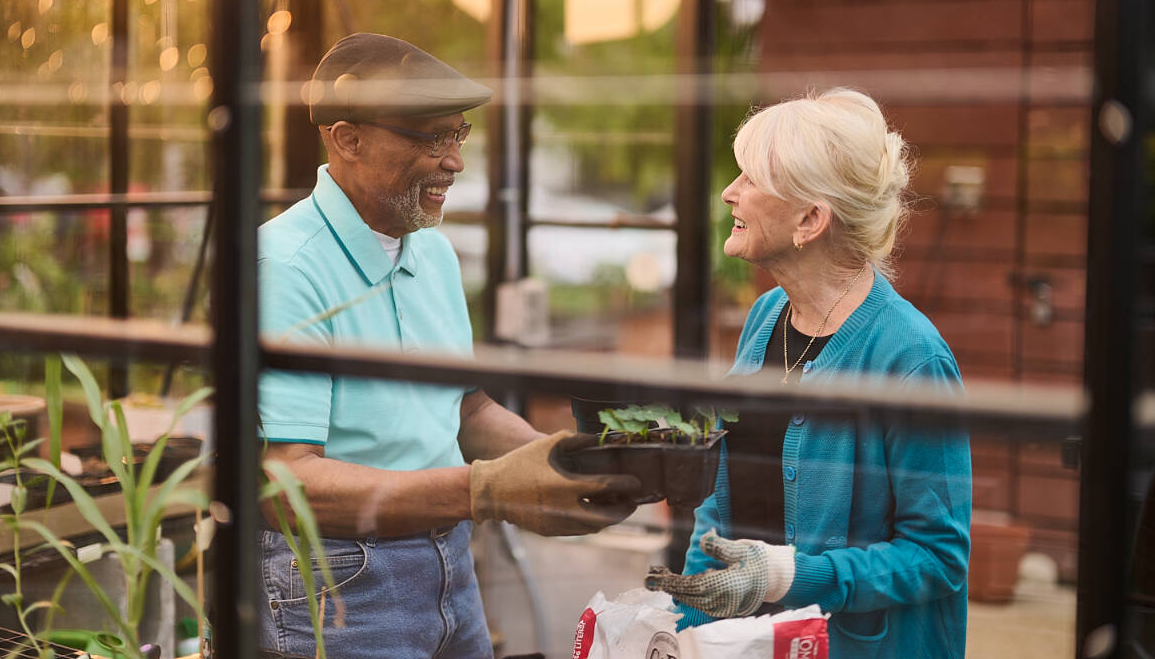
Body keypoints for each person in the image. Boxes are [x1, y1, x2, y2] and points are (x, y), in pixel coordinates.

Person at [256, 33, 640, 659]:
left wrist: (564, 463)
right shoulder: (284, 266)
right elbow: (288, 483)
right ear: (346, 139)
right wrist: (488, 491)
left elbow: (465, 409)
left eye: (457, 134)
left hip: (451, 567)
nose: (454, 160)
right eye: (427, 137)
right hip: (338, 587)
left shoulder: (429, 250)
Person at [645, 89, 972, 659]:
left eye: (751, 178)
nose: (730, 192)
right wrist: (678, 623)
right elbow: (720, 508)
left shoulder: (910, 357)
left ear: (810, 220)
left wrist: (791, 575)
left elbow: (939, 557)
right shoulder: (765, 316)